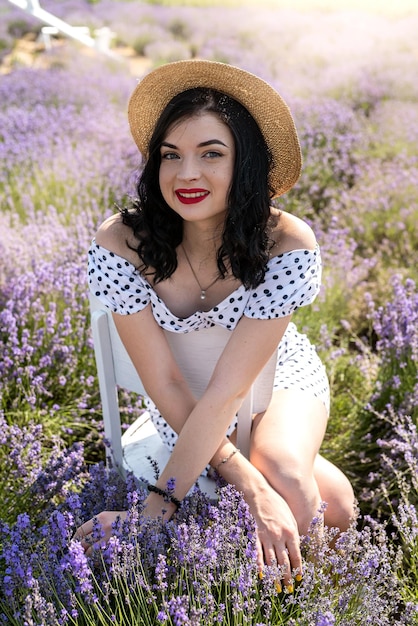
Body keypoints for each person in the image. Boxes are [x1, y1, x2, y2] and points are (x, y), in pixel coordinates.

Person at [77, 59, 355, 588]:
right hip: (180, 401)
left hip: (276, 381)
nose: (186, 174)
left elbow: (232, 387)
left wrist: (161, 508)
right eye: (171, 155)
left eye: (211, 154)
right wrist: (244, 484)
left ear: (244, 163)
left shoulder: (286, 243)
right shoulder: (122, 243)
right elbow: (165, 382)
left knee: (291, 482)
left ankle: (305, 602)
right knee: (331, 506)